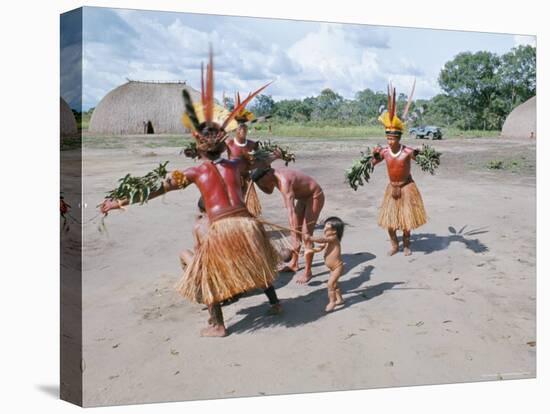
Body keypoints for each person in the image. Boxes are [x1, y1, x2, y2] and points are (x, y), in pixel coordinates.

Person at [100, 50, 279, 337]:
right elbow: (262, 159)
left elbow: (155, 189)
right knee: (257, 260)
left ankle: (218, 325)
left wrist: (118, 201)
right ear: (223, 144)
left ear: (198, 147)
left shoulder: (195, 172)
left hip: (221, 228)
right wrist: (274, 155)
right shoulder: (238, 162)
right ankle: (276, 304)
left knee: (209, 273)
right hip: (247, 224)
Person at [371, 84, 427, 256]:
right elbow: (373, 163)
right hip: (392, 188)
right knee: (390, 222)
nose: (390, 141)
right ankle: (394, 245)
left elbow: (424, 161)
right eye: (387, 138)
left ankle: (407, 245)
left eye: (392, 138)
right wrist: (373, 156)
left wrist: (424, 154)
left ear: (399, 138)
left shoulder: (408, 151)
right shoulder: (384, 152)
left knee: (406, 220)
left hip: (407, 187)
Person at [251, 166, 324, 284]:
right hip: (303, 198)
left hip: (314, 195)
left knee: (305, 234)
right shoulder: (271, 176)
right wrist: (258, 183)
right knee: (296, 230)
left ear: (267, 175)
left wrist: (295, 237)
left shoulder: (284, 182)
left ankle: (308, 271)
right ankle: (294, 264)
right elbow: (269, 191)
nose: (263, 184)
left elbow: (290, 211)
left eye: (262, 181)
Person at [304, 217, 345, 312]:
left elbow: (322, 240)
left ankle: (332, 302)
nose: (324, 230)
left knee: (330, 284)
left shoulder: (333, 238)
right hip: (332, 268)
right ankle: (340, 299)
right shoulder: (328, 239)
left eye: (327, 229)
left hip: (337, 267)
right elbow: (320, 248)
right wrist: (310, 250)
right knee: (335, 285)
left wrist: (310, 238)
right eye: (324, 228)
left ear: (334, 231)